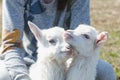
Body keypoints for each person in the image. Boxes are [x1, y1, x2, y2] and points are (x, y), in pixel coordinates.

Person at [0, 0, 116, 80]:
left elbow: (80, 42)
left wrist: (72, 73)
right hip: (24, 59)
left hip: (67, 59)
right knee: (4, 76)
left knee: (106, 71)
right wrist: (22, 77)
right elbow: (11, 45)